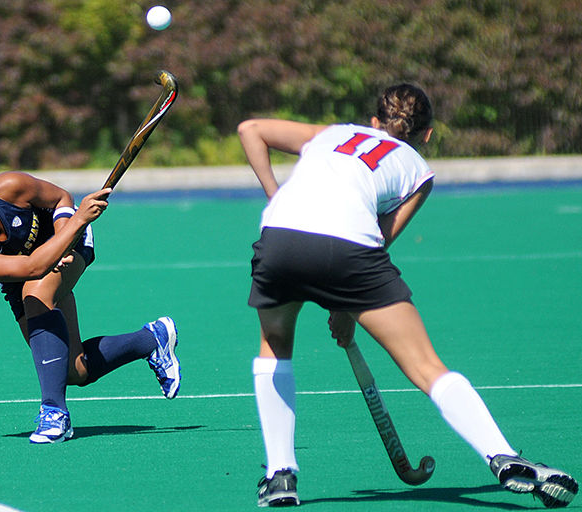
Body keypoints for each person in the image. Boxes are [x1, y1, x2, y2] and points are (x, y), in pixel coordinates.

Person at [237, 84, 578, 508]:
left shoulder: (330, 133)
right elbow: (378, 239)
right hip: (351, 252)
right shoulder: (418, 169)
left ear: (374, 122)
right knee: (426, 366)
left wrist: (275, 194)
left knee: (275, 346)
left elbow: (250, 128)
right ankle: (500, 453)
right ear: (428, 134)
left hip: (280, 239)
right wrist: (346, 304)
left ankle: (280, 476)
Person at [0, 172, 181, 443]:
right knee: (73, 371)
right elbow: (32, 268)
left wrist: (67, 232)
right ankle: (151, 339)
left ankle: (54, 413)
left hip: (69, 235)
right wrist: (71, 230)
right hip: (27, 273)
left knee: (35, 294)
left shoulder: (10, 187)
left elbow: (60, 198)